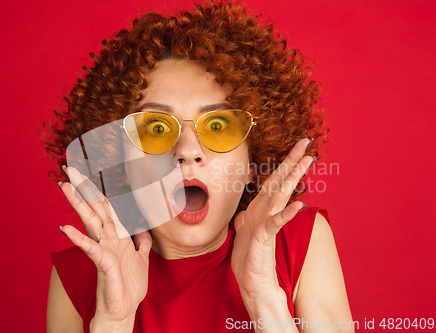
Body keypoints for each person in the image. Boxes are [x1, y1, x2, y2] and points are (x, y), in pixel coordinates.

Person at [42, 1, 354, 332]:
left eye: (218, 126)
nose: (188, 151)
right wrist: (112, 321)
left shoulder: (298, 241)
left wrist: (263, 297)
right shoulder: (83, 273)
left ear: (253, 163)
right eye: (157, 128)